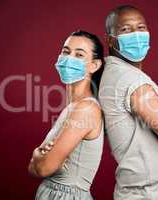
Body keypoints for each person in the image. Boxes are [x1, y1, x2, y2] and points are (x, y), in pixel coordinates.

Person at [99, 5, 158, 200]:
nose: (136, 35)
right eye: (125, 30)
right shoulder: (130, 80)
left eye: (141, 28)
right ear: (110, 39)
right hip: (152, 195)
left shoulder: (126, 75)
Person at [28, 30, 104, 200]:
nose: (69, 58)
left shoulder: (86, 109)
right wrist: (39, 159)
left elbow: (42, 168)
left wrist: (36, 154)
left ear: (94, 65)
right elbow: (34, 169)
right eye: (66, 51)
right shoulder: (73, 107)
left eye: (79, 55)